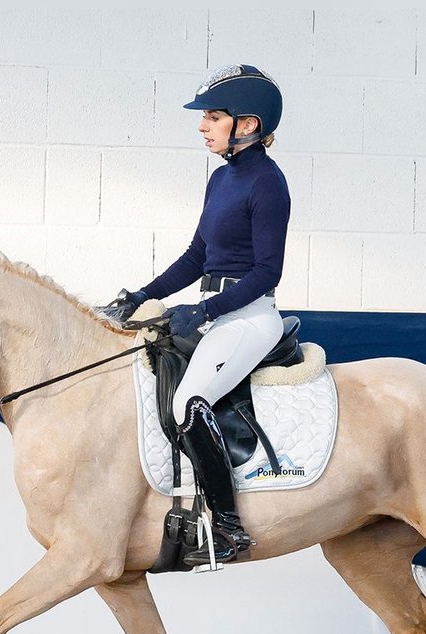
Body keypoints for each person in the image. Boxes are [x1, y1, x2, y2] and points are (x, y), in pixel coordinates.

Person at [103, 64, 290, 566]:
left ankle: (228, 528)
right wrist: (140, 294)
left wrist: (204, 309)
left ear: (247, 124)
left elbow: (267, 272)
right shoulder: (220, 180)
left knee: (189, 401)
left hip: (249, 316)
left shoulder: (267, 183)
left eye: (212, 117)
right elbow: (194, 257)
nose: (203, 126)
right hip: (215, 315)